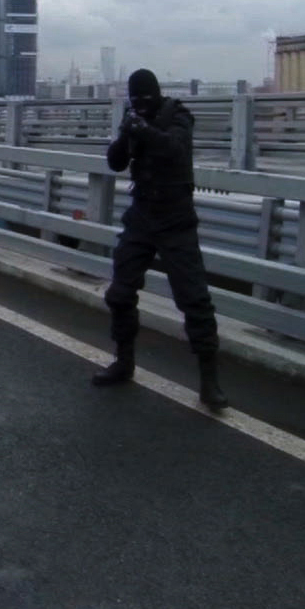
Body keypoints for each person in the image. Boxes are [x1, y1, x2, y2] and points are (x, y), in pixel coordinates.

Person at [92, 69, 227, 409]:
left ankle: (209, 381)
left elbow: (175, 150)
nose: (140, 103)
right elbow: (115, 162)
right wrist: (126, 135)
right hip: (142, 214)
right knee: (120, 293)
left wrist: (144, 130)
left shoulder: (177, 115)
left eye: (144, 98)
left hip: (176, 218)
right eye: (134, 98)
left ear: (156, 94)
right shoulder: (134, 118)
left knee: (194, 299)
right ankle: (123, 361)